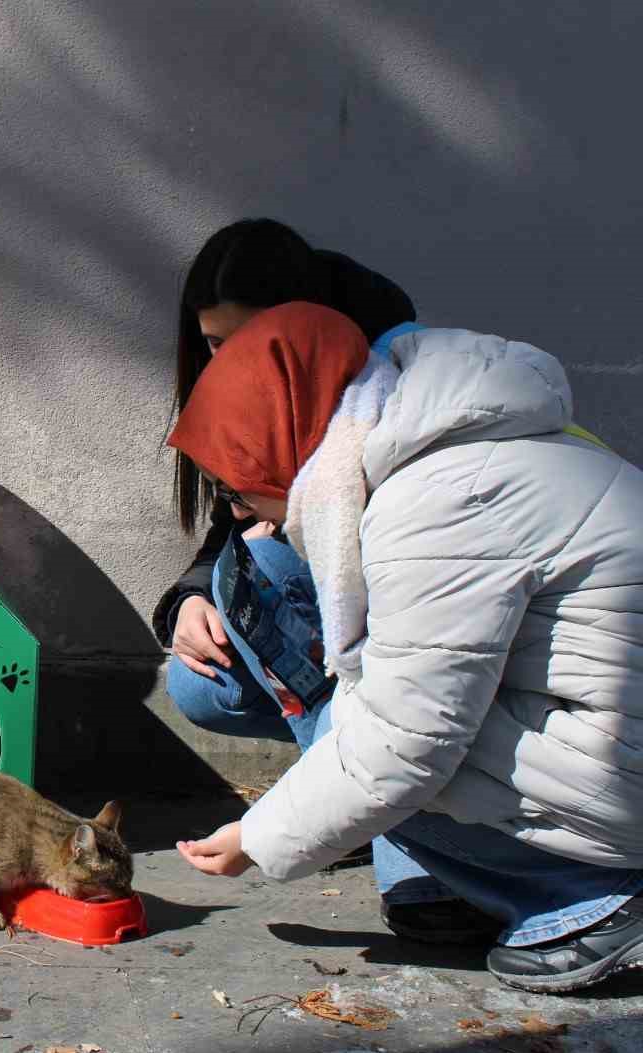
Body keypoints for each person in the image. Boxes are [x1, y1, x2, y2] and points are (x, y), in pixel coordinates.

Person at [168, 301, 643, 993]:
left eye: (240, 488)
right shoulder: (438, 446)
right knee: (279, 602)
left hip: (622, 766)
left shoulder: (438, 501)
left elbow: (407, 743)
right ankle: (457, 887)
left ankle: (595, 902)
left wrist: (261, 837)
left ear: (283, 449)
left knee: (385, 755)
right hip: (610, 736)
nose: (238, 511)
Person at [155, 220, 494, 944]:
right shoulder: (273, 397)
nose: (231, 363)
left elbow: (403, 694)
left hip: (427, 629)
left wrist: (278, 831)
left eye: (247, 343)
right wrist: (191, 596)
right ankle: (351, 806)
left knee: (283, 586)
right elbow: (244, 507)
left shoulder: (376, 389)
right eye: (215, 346)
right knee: (197, 683)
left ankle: (407, 857)